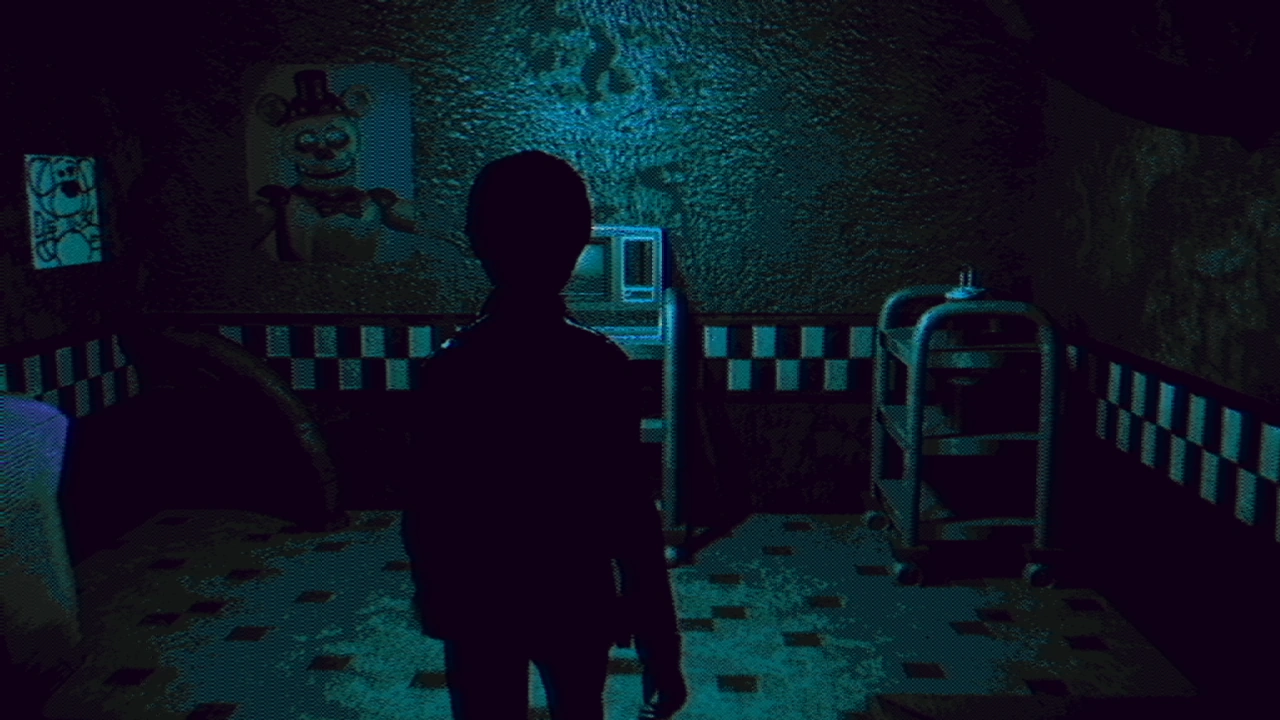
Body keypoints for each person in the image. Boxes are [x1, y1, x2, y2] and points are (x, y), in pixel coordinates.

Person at [399, 150, 689, 720]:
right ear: (578, 243)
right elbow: (631, 513)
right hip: (574, 592)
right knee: (579, 706)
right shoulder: (601, 364)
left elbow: (427, 504)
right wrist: (660, 644)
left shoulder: (450, 366)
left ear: (476, 242)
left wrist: (435, 596)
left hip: (478, 598)